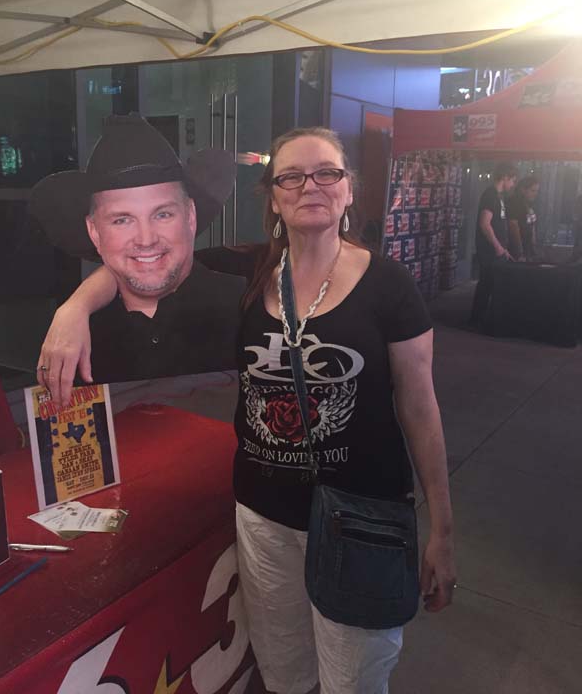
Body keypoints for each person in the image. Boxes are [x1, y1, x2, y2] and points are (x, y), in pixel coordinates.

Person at [38, 127, 456, 694]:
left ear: (348, 189)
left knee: (352, 682)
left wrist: (441, 530)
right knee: (283, 675)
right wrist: (73, 308)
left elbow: (420, 409)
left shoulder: (388, 285)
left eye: (326, 173)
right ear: (274, 196)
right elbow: (145, 263)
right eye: (291, 177)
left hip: (360, 516)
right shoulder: (250, 271)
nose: (310, 186)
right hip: (264, 515)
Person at [30, 114, 245, 387]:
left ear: (190, 216)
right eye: (122, 220)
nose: (146, 239)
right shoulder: (67, 343)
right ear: (94, 232)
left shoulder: (252, 310)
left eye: (163, 214)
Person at [470, 161, 518, 329]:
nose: (513, 184)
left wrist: (503, 248)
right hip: (489, 251)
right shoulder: (490, 195)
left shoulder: (498, 196)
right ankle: (477, 320)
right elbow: (485, 224)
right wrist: (498, 248)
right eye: (512, 180)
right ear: (505, 177)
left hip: (496, 249)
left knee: (489, 284)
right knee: (486, 284)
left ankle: (480, 319)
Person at [507, 175, 540, 262]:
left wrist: (533, 248)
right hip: (515, 251)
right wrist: (519, 252)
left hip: (527, 250)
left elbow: (532, 226)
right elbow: (513, 226)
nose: (535, 194)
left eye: (537, 191)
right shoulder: (514, 202)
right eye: (532, 190)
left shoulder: (529, 204)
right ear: (523, 189)